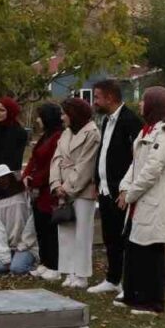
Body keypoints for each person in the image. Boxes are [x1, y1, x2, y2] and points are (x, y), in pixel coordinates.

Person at [118, 87, 165, 315]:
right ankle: (132, 294)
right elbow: (136, 164)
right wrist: (124, 187)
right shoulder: (146, 131)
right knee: (133, 249)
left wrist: (130, 194)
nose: (140, 104)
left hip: (155, 202)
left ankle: (152, 302)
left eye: (144, 100)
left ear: (155, 105)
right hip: (141, 202)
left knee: (150, 252)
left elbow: (151, 171)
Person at [89, 78, 142, 296]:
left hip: (121, 191)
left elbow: (137, 159)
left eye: (97, 97)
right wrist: (97, 180)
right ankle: (112, 279)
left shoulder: (130, 121)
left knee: (123, 237)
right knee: (109, 236)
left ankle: (127, 281)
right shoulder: (105, 121)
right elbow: (104, 152)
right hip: (105, 189)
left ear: (110, 97)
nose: (94, 102)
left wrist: (126, 188)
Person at [47, 97, 100, 288]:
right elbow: (56, 159)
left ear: (74, 114)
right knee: (66, 230)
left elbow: (86, 164)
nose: (62, 117)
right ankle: (69, 271)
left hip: (82, 190)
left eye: (64, 114)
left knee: (82, 233)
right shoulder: (66, 133)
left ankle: (81, 274)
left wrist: (67, 187)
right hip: (63, 187)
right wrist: (55, 184)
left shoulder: (92, 133)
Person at [23, 103, 64, 281]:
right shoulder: (45, 136)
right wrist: (26, 175)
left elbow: (52, 165)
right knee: (40, 226)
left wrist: (36, 180)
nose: (38, 120)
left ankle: (54, 265)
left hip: (49, 189)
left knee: (50, 229)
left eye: (40, 117)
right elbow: (34, 158)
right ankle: (45, 262)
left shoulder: (58, 137)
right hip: (37, 190)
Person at [0, 164, 39, 274]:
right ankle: (14, 260)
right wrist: (4, 255)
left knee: (17, 269)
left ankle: (34, 266)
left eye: (4, 177)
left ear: (10, 176)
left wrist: (24, 244)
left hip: (27, 245)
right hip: (8, 247)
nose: (2, 180)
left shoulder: (24, 193)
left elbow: (32, 220)